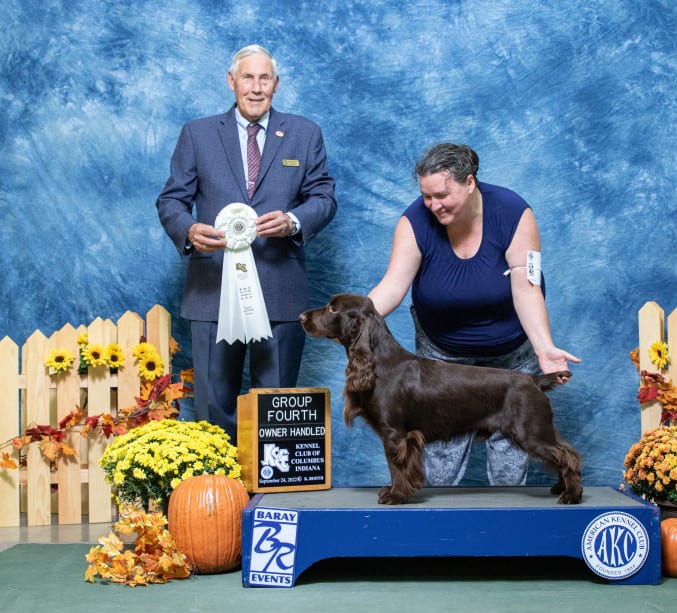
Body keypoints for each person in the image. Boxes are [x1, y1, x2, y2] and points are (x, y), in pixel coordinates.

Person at [368, 143, 579, 486]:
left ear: (470, 182)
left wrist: (544, 348)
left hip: (509, 358)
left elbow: (527, 287)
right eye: (426, 196)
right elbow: (393, 285)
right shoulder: (414, 222)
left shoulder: (513, 213)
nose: (433, 206)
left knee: (511, 467)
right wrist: (355, 317)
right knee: (437, 470)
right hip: (442, 361)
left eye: (442, 195)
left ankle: (504, 533)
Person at [156, 44, 337, 444]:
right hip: (212, 289)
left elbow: (323, 198)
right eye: (247, 77)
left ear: (276, 83)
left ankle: (267, 496)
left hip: (281, 290)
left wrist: (293, 221)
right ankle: (219, 496)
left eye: (264, 78)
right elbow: (171, 200)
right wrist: (187, 229)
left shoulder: (305, 133)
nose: (256, 88)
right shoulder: (197, 134)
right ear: (231, 81)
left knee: (275, 405)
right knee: (213, 406)